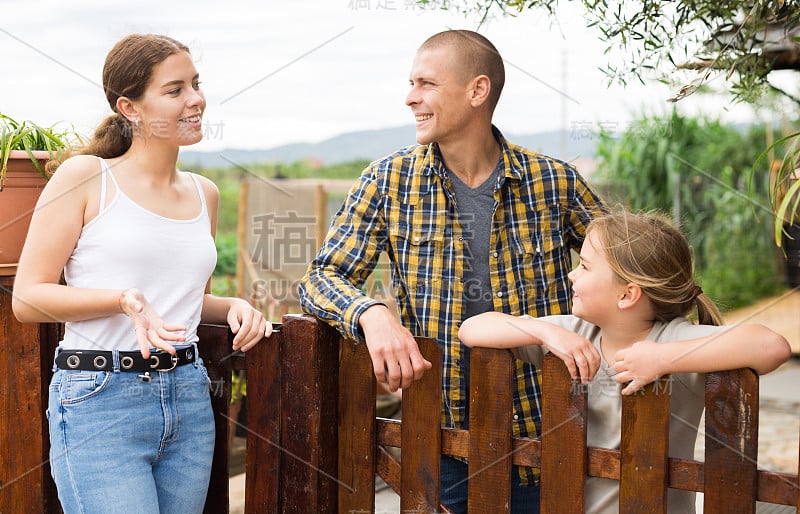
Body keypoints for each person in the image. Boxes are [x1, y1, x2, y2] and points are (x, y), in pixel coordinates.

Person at [298, 29, 607, 513]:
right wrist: (371, 314)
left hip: (548, 432)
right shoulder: (389, 181)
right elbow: (320, 278)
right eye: (410, 83)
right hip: (438, 438)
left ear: (477, 91)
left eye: (425, 84)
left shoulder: (554, 182)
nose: (410, 97)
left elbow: (627, 269)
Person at [12, 34, 272, 513]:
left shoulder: (203, 193)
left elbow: (186, 303)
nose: (195, 99)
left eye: (195, 84)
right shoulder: (87, 177)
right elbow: (27, 298)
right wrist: (122, 299)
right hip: (98, 396)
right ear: (129, 107)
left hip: (189, 395)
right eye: (174, 90)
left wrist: (234, 305)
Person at [458, 211, 791, 513]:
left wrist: (664, 358)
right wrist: (542, 331)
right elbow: (472, 329)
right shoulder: (575, 333)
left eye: (585, 266)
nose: (573, 275)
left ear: (627, 295)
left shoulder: (673, 339)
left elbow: (771, 346)